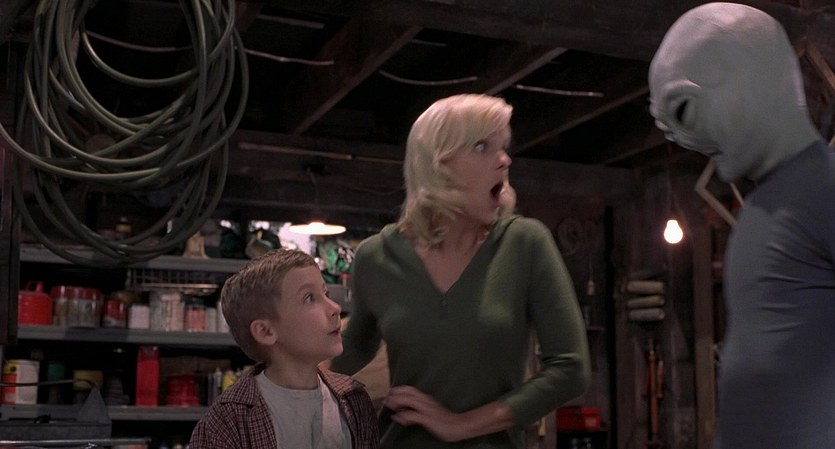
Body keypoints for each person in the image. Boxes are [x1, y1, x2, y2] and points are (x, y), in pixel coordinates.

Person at [329, 93, 591, 448]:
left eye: (503, 147)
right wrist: (282, 377)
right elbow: (355, 347)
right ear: (438, 164)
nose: (505, 160)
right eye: (482, 146)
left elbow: (570, 369)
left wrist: (462, 425)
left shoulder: (524, 243)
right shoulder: (377, 256)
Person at [648, 3, 835, 449]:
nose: (683, 140)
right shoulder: (760, 211)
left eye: (685, 111)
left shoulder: (823, 190)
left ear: (746, 78)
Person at [189, 249, 379, 449]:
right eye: (309, 298)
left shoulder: (354, 401)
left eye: (326, 293)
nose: (335, 308)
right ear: (265, 331)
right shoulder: (227, 423)